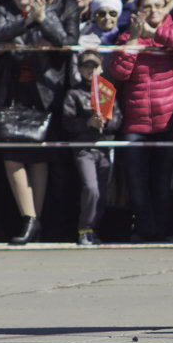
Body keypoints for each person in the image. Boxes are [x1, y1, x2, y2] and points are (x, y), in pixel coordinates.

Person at [0, 0, 73, 245]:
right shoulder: (5, 10)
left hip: (42, 93)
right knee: (11, 156)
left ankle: (35, 220)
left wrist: (41, 20)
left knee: (40, 157)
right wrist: (27, 21)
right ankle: (28, 218)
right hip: (14, 92)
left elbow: (64, 40)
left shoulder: (46, 10)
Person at [110, 0, 173, 242]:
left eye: (158, 5)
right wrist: (136, 40)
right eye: (148, 6)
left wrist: (155, 33)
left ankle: (165, 229)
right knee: (137, 182)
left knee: (163, 183)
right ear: (139, 10)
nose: (154, 10)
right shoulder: (127, 37)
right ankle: (145, 229)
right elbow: (119, 73)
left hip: (167, 121)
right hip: (135, 123)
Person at [62, 49, 122, 245]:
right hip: (84, 148)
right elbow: (67, 122)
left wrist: (106, 122)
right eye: (86, 66)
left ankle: (93, 228)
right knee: (91, 188)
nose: (90, 70)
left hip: (105, 147)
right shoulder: (74, 93)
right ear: (79, 69)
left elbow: (118, 119)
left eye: (94, 66)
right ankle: (84, 228)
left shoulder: (107, 90)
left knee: (103, 193)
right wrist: (88, 123)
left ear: (101, 68)